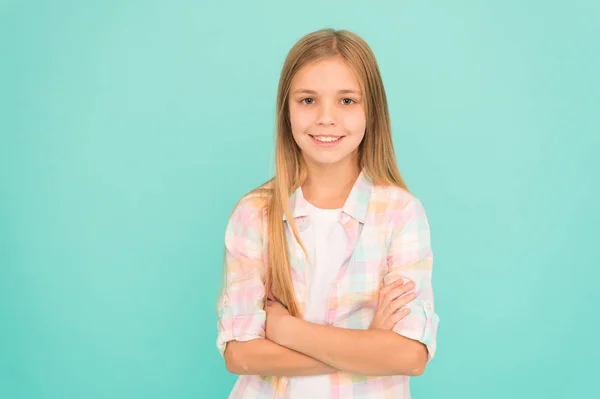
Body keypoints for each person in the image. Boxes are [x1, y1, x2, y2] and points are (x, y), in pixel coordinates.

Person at [216, 28, 439, 399]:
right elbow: (241, 355)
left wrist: (286, 330)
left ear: (372, 110)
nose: (326, 118)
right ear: (286, 109)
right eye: (307, 100)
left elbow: (409, 355)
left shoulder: (400, 213)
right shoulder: (254, 213)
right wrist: (368, 346)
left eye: (347, 101)